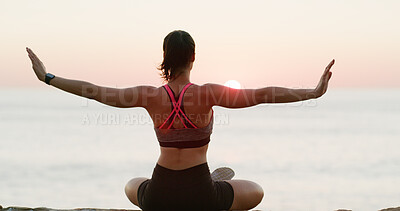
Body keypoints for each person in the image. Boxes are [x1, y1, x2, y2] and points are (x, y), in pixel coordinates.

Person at [27, 30, 334, 211]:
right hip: (202, 195)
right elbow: (264, 94)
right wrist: (313, 92)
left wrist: (48, 77)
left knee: (131, 184)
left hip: (159, 195)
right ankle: (216, 180)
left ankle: (201, 182)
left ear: (165, 57)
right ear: (193, 57)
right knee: (256, 190)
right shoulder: (208, 94)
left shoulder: (148, 96)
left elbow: (96, 92)